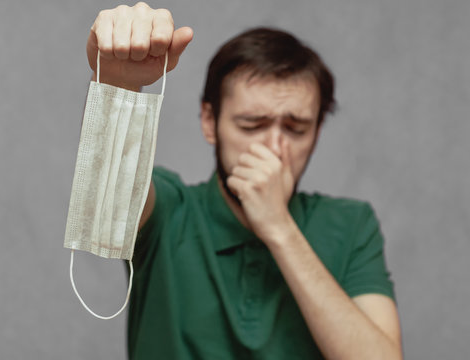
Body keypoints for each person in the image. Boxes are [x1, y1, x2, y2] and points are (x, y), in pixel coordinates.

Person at [86, 2, 402, 359]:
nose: (275, 148)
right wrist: (117, 83)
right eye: (252, 125)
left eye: (296, 129)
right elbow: (109, 193)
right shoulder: (171, 212)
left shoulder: (350, 225)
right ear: (210, 121)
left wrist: (279, 227)